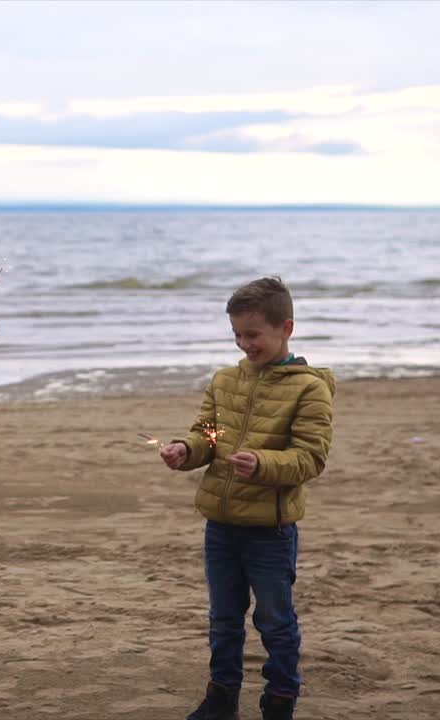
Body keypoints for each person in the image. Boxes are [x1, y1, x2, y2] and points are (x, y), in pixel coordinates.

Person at [159, 277, 335, 720]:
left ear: (285, 328)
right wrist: (185, 451)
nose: (243, 344)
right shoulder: (225, 380)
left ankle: (279, 701)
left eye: (252, 334)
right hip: (220, 525)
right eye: (237, 334)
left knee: (274, 621)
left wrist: (262, 464)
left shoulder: (309, 389)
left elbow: (311, 458)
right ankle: (221, 699)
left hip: (270, 531)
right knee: (223, 618)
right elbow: (208, 435)